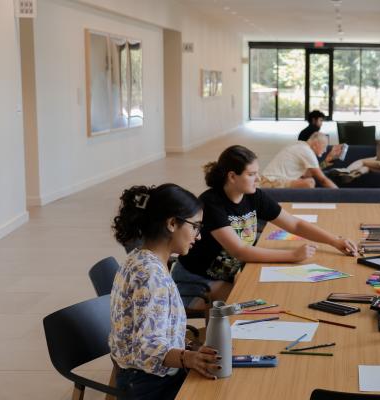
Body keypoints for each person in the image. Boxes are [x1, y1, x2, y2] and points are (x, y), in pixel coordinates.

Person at [174, 145, 358, 302]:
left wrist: (335, 241)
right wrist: (292, 255)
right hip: (196, 279)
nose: (259, 178)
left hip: (225, 275)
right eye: (252, 174)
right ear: (232, 176)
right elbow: (240, 251)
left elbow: (294, 224)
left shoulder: (254, 196)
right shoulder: (211, 204)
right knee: (254, 301)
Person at [110, 184, 221, 399]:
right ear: (172, 223)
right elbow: (147, 348)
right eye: (195, 226)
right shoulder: (150, 275)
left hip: (147, 375)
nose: (198, 236)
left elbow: (152, 327)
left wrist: (189, 346)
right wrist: (188, 358)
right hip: (148, 384)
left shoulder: (141, 257)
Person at [260, 132, 338, 188]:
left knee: (307, 180)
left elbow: (307, 174)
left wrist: (325, 162)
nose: (325, 150)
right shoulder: (307, 152)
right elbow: (322, 180)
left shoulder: (300, 145)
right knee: (310, 183)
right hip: (270, 182)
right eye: (324, 146)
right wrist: (341, 194)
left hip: (267, 180)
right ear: (316, 144)